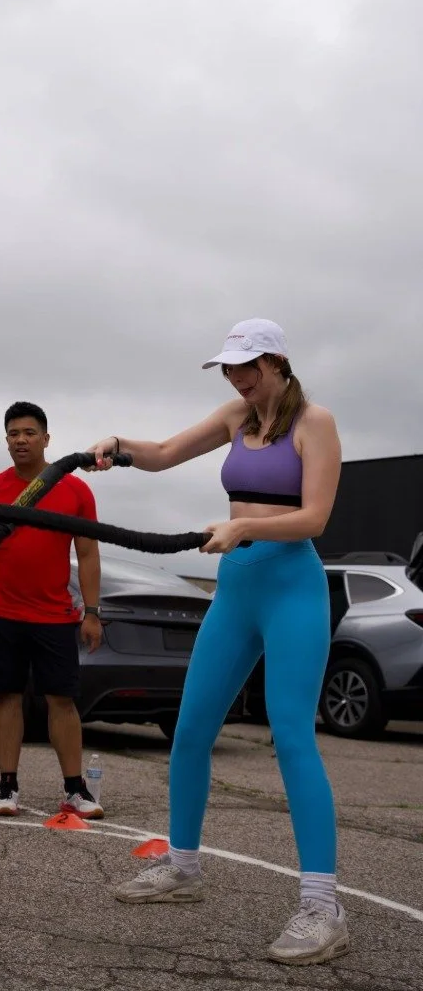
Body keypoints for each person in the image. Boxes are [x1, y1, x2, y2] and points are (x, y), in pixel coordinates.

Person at [84, 318, 347, 966]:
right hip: (237, 589)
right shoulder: (236, 415)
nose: (237, 377)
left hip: (292, 589)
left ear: (278, 361)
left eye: (247, 366)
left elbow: (316, 517)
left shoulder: (316, 422)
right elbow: (166, 453)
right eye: (230, 367)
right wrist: (118, 445)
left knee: (291, 734)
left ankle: (322, 905)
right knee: (192, 727)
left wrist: (243, 531)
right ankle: (183, 865)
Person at [0, 402, 104, 819]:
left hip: (56, 615)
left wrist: (92, 612)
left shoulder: (75, 490)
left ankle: (76, 790)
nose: (21, 440)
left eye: (29, 433)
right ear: (6, 441)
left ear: (46, 438)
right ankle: (7, 786)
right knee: (7, 697)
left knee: (62, 700)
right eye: (13, 434)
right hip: (2, 613)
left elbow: (88, 555)